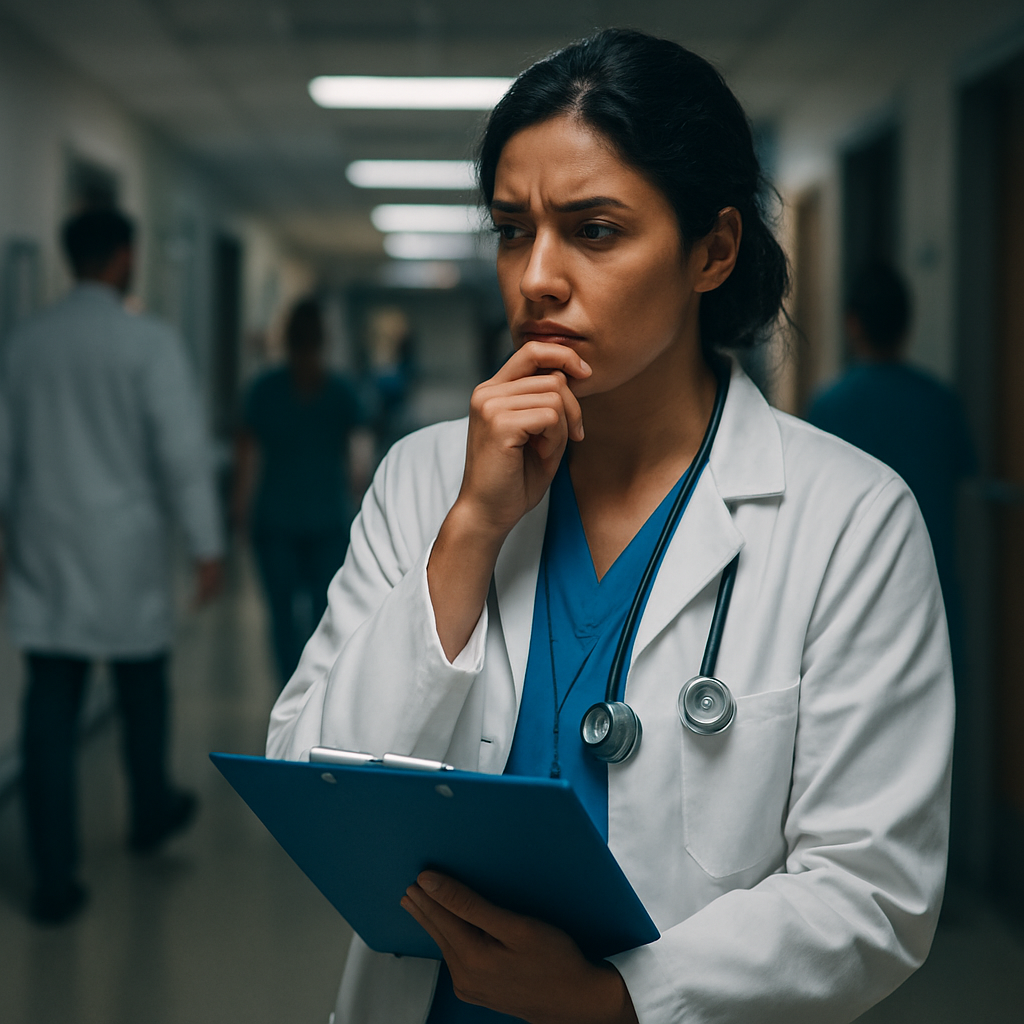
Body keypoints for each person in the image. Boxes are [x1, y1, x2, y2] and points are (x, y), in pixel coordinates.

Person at [268, 30, 954, 1024]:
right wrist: (468, 532)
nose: (536, 276)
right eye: (513, 228)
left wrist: (615, 1000)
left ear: (712, 250)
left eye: (593, 230)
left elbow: (869, 891)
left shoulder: (849, 519)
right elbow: (312, 787)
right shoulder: (427, 478)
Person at [0, 207, 224, 925]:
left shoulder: (25, 344)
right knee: (142, 690)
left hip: (46, 546)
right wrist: (207, 544)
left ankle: (54, 877)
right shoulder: (148, 343)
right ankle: (151, 810)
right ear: (124, 258)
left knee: (50, 706)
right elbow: (182, 456)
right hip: (123, 548)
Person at [806, 262, 976, 670]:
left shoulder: (830, 407)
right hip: (932, 583)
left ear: (852, 324)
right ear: (907, 324)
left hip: (852, 594)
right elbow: (966, 489)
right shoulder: (939, 402)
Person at [233, 298, 366, 687]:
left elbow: (247, 461)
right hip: (327, 518)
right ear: (323, 340)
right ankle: (318, 690)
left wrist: (239, 509)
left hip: (275, 520)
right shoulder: (341, 392)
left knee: (281, 615)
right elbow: (358, 465)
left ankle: (288, 691)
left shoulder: (264, 390)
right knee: (326, 613)